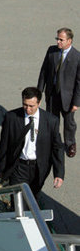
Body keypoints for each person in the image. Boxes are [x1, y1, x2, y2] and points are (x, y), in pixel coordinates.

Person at [0, 87, 65, 197]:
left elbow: (57, 147)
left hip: (39, 168)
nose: (28, 109)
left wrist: (59, 173)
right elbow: (4, 143)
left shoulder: (51, 121)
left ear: (39, 103)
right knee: (17, 198)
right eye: (25, 105)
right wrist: (1, 167)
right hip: (19, 166)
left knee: (33, 198)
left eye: (31, 106)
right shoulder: (11, 117)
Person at [37, 28, 80, 159]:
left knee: (69, 123)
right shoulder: (52, 51)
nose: (58, 42)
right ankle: (52, 142)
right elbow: (44, 72)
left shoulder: (77, 57)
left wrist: (76, 103)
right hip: (52, 94)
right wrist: (38, 93)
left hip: (68, 97)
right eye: (57, 39)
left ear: (69, 40)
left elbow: (79, 83)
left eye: (61, 40)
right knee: (52, 120)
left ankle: (70, 143)